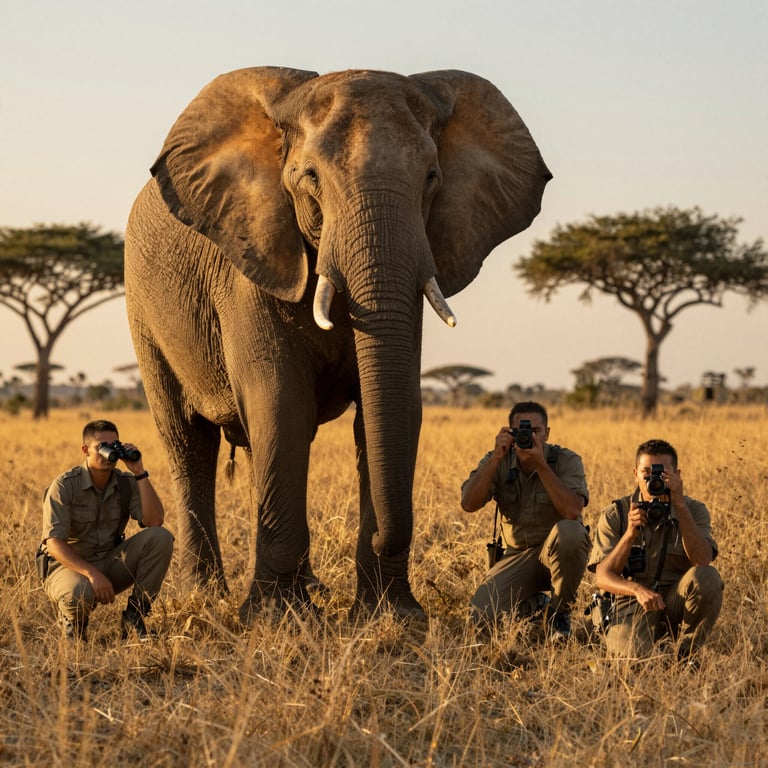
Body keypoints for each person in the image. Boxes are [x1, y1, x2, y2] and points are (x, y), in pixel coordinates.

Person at [461, 402, 590, 640]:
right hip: (517, 556)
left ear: (547, 433)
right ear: (509, 433)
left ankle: (559, 614)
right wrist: (496, 459)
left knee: (571, 532)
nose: (528, 437)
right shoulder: (498, 459)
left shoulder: (565, 460)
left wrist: (541, 465)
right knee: (479, 619)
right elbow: (468, 504)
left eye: (536, 431)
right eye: (521, 431)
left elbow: (573, 511)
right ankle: (535, 606)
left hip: (557, 553)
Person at [588, 438, 723, 661]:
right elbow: (603, 577)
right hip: (630, 603)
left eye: (662, 474)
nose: (654, 480)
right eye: (646, 472)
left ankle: (687, 655)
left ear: (677, 475)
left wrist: (679, 505)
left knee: (707, 577)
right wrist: (630, 534)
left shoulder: (694, 510)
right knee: (636, 663)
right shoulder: (616, 514)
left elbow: (703, 560)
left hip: (674, 603)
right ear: (635, 473)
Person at [40, 419, 174, 641]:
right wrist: (92, 574)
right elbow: (54, 545)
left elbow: (155, 520)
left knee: (160, 538)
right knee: (78, 594)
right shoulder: (64, 486)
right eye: (101, 447)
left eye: (113, 447)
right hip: (69, 567)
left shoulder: (125, 483)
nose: (107, 454)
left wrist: (139, 473)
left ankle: (134, 617)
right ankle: (74, 621)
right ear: (85, 450)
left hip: (109, 561)